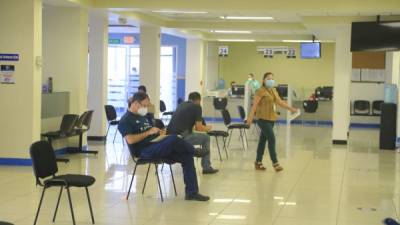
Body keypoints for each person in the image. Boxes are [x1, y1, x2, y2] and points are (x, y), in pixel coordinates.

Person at [118, 92, 210, 201]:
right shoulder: (125, 120)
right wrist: (148, 133)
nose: (147, 108)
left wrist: (159, 133)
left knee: (187, 156)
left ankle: (192, 193)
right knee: (174, 139)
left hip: (156, 145)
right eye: (145, 105)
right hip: (144, 151)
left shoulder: (143, 116)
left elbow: (150, 131)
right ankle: (195, 151)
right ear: (136, 104)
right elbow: (131, 140)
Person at [246, 72, 298, 172]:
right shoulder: (260, 91)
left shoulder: (273, 90)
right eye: (268, 79)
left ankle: (258, 162)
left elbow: (280, 102)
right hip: (262, 119)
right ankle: (275, 163)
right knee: (272, 139)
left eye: (272, 79)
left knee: (262, 141)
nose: (271, 80)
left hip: (271, 119)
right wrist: (250, 118)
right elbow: (254, 106)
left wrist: (291, 109)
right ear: (264, 80)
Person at [167, 92, 219, 174]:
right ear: (198, 100)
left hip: (169, 137)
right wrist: (207, 128)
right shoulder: (197, 107)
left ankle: (194, 152)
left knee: (195, 134)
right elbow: (199, 127)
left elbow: (186, 124)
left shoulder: (181, 105)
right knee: (206, 137)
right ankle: (205, 166)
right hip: (181, 138)